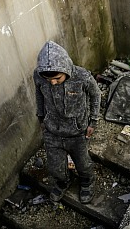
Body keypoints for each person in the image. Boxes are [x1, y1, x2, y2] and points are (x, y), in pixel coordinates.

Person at [33, 40, 101, 204]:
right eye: (49, 80)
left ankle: (87, 182)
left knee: (83, 163)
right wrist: (41, 117)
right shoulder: (39, 77)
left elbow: (96, 95)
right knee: (55, 166)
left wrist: (93, 121)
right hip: (52, 131)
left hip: (77, 132)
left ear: (66, 70)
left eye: (57, 78)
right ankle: (63, 182)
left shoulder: (82, 77)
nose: (53, 82)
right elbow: (39, 95)